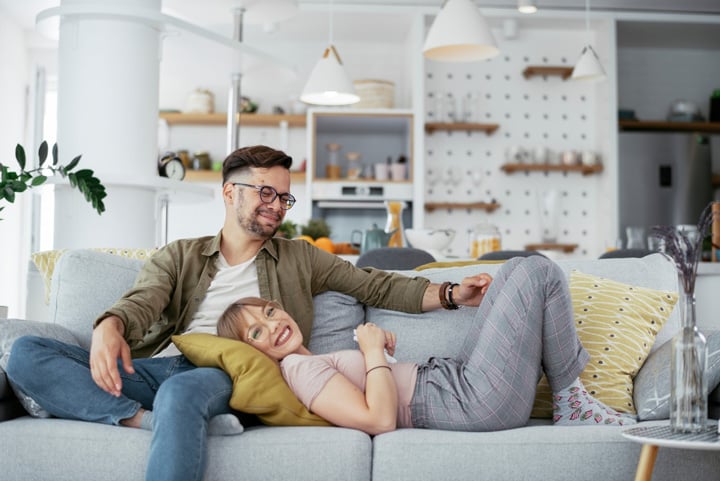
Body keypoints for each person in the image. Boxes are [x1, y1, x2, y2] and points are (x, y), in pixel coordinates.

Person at [6, 145, 494, 481]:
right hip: (168, 365)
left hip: (233, 371)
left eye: (283, 196)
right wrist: (111, 325)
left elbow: (376, 284)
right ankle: (138, 418)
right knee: (25, 353)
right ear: (228, 191)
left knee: (181, 391)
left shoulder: (300, 256)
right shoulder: (180, 255)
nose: (276, 205)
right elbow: (145, 300)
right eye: (265, 191)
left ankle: (169, 414)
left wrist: (453, 293)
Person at [216, 256, 636, 435]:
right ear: (254, 353)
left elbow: (376, 387)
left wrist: (380, 354)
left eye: (268, 314)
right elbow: (378, 420)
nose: (270, 327)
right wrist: (373, 353)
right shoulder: (298, 370)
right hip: (470, 401)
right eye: (255, 333)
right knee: (538, 271)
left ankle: (570, 398)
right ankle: (572, 400)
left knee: (515, 271)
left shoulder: (311, 361)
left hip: (457, 381)